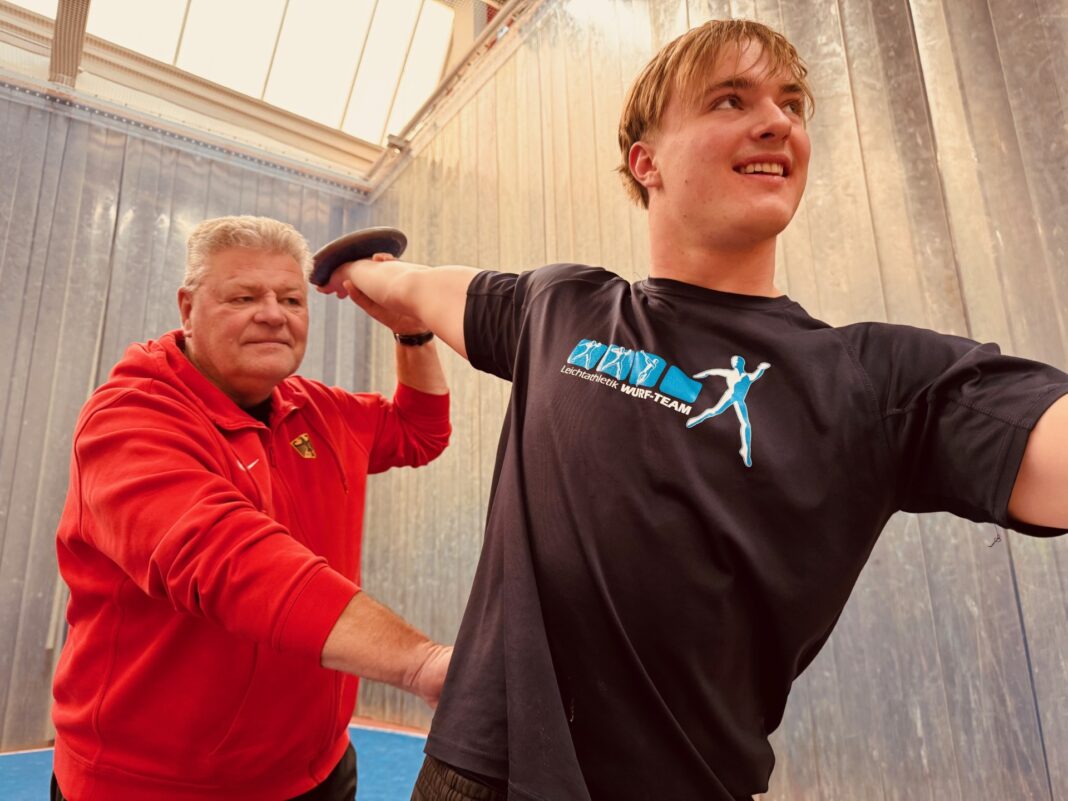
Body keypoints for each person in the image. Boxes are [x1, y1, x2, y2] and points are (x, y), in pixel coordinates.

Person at [317, 19, 1068, 801]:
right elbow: (421, 285)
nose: (778, 121)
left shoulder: (874, 380)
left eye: (791, 103)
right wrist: (363, 274)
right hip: (475, 774)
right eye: (730, 100)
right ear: (647, 163)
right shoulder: (561, 307)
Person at [51, 216, 452, 801]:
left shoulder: (317, 410)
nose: (273, 313)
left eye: (291, 298)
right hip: (158, 787)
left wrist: (412, 332)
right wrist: (420, 663)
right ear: (188, 308)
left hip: (316, 768)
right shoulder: (131, 416)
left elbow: (420, 432)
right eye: (244, 296)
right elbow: (228, 559)